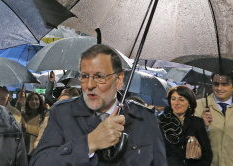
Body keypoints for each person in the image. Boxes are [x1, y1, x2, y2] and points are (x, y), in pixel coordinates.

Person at [31, 44, 167, 165]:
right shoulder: (62, 113)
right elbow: (39, 162)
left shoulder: (145, 118)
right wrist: (89, 143)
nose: (89, 85)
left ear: (119, 80)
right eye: (84, 76)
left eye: (99, 76)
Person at [159, 86, 212, 165]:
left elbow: (207, 153)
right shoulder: (160, 121)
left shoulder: (197, 122)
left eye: (181, 99)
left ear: (189, 102)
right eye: (173, 99)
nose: (176, 103)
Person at [21, 92, 49, 158]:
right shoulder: (24, 115)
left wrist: (27, 127)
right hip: (25, 149)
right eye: (31, 99)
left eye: (36, 99)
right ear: (28, 101)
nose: (34, 101)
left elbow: (43, 132)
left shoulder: (46, 114)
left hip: (39, 149)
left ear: (40, 101)